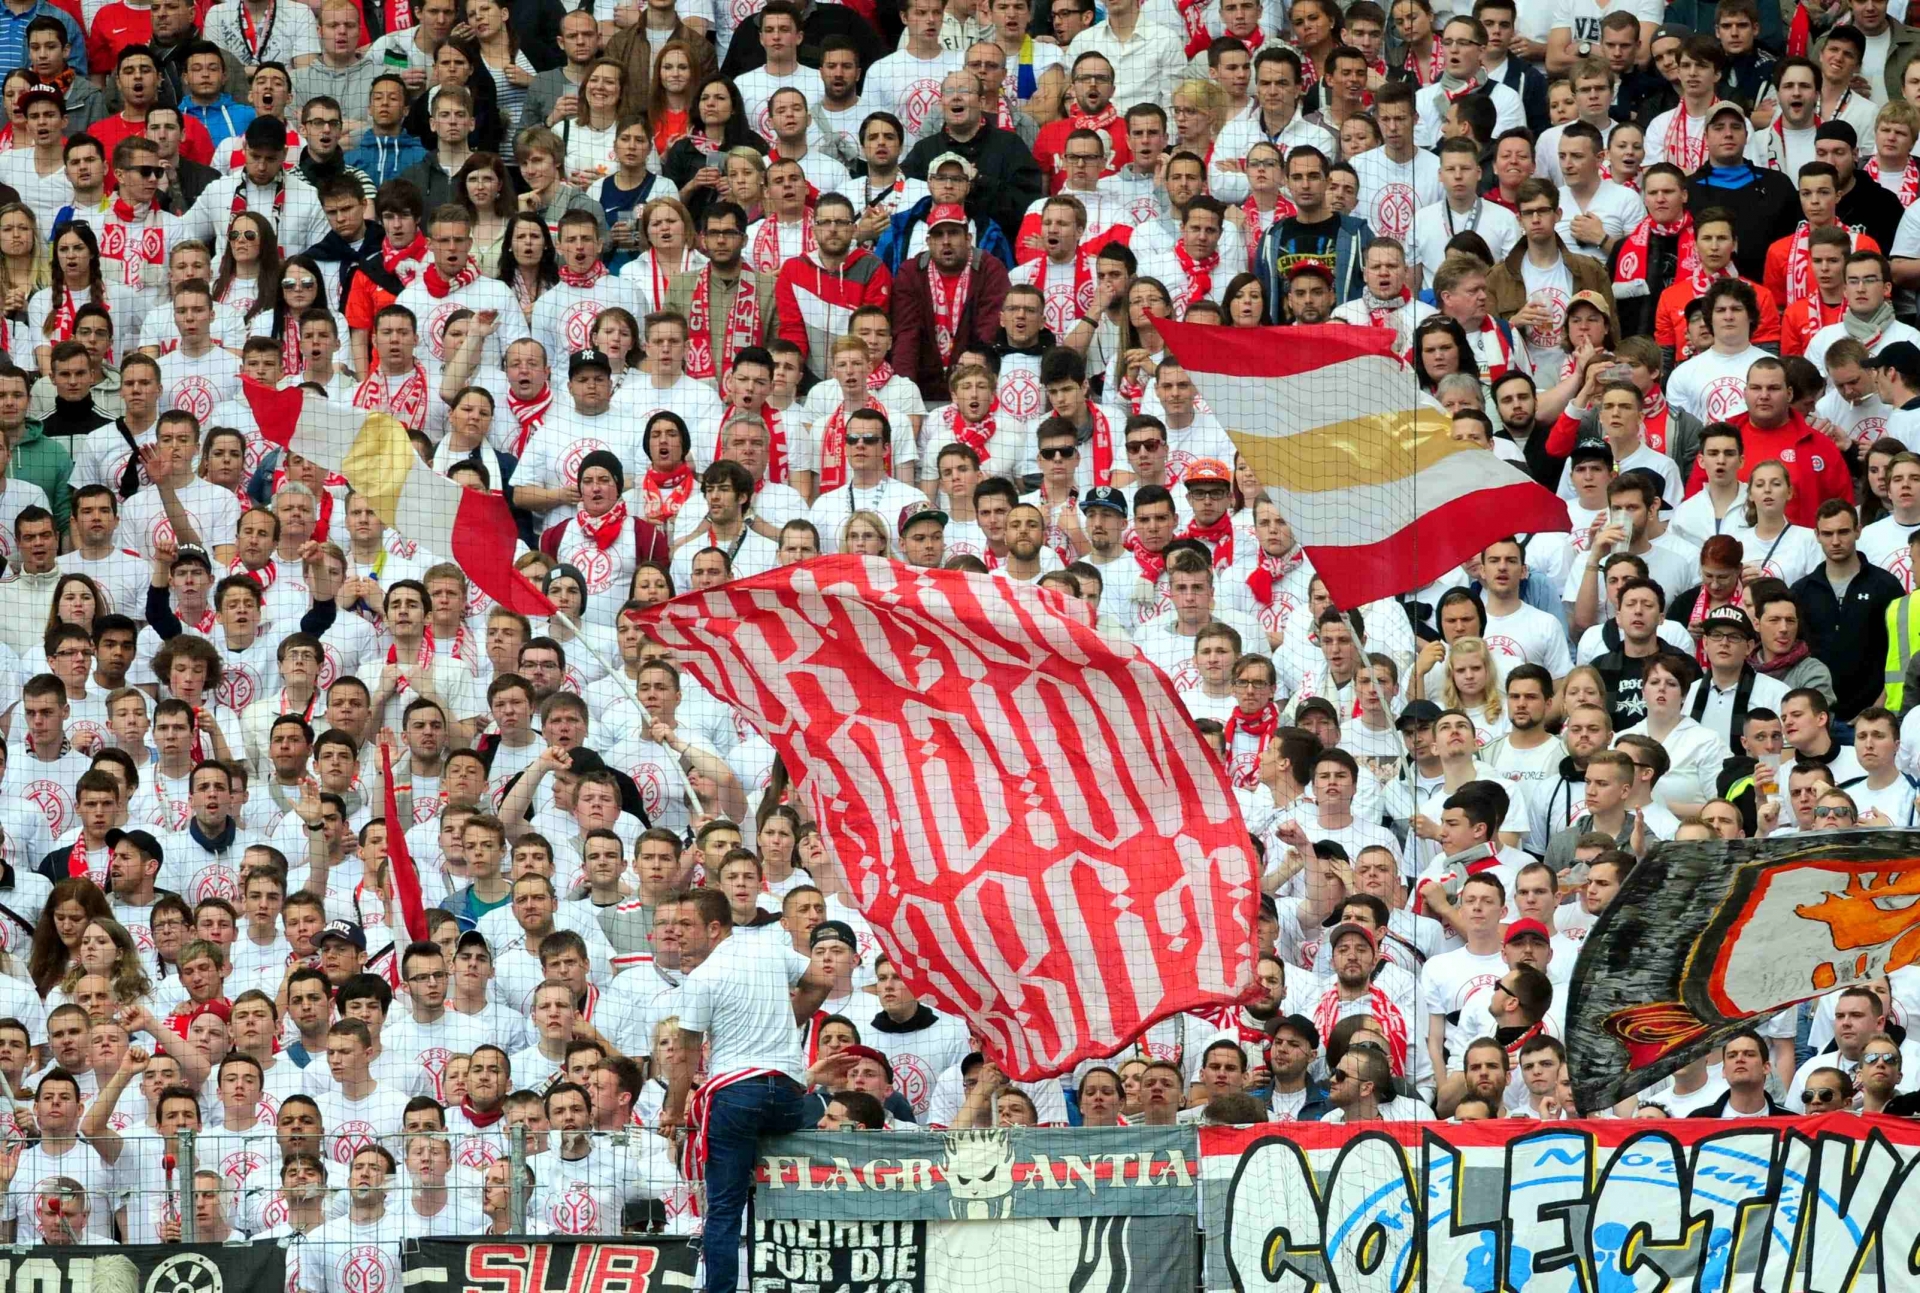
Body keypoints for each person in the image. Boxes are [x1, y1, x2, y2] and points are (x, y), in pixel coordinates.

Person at [660, 887, 833, 1293]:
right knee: (770, 1193)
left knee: (723, 1209)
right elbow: (823, 979)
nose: (677, 932)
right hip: (789, 1099)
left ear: (715, 928)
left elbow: (685, 1057)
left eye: (687, 924)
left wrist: (672, 1111)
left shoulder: (702, 978)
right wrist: (783, 1025)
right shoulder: (769, 948)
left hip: (737, 1098)